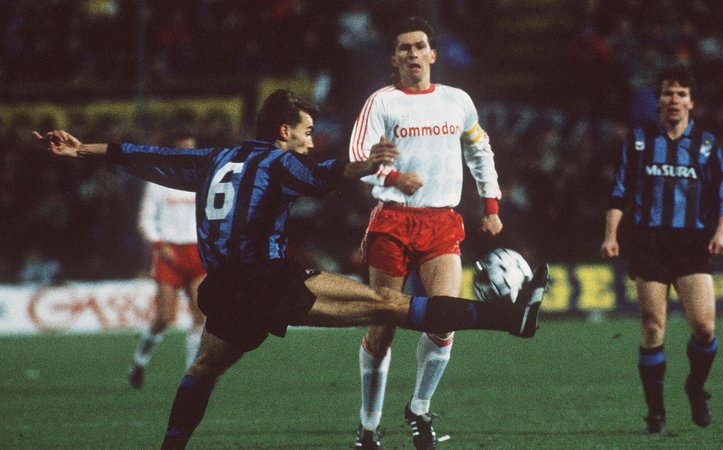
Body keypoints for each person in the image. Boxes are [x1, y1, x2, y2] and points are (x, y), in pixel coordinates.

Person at [33, 89, 549, 450]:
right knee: (388, 305)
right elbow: (323, 174)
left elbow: (145, 156)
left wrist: (83, 150)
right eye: (305, 131)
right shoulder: (276, 162)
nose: (309, 138)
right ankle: (510, 319)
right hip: (268, 280)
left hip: (225, 289)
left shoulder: (216, 158)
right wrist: (367, 166)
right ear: (284, 131)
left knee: (202, 372)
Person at [348, 16, 504, 450]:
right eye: (404, 48)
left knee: (444, 319)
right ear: (394, 58)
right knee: (384, 325)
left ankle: (418, 410)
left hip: (441, 221)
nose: (413, 54)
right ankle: (367, 426)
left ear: (433, 54)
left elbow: (479, 148)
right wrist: (394, 177)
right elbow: (359, 156)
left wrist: (490, 204)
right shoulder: (381, 102)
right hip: (394, 221)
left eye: (419, 46)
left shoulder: (457, 101)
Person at [600, 65, 723, 434]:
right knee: (652, 326)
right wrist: (611, 235)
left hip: (691, 243)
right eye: (667, 93)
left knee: (704, 328)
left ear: (692, 102)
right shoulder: (639, 141)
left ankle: (694, 387)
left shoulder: (707, 145)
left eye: (681, 94)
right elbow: (619, 192)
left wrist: (722, 232)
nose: (673, 100)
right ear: (657, 100)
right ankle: (655, 414)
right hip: (650, 242)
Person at [129, 136, 207, 389]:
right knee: (164, 318)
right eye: (184, 149)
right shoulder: (158, 183)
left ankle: (192, 374)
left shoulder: (203, 181)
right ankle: (140, 359)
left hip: (197, 252)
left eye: (192, 149)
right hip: (169, 252)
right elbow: (145, 219)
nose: (189, 154)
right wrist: (159, 245)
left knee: (201, 315)